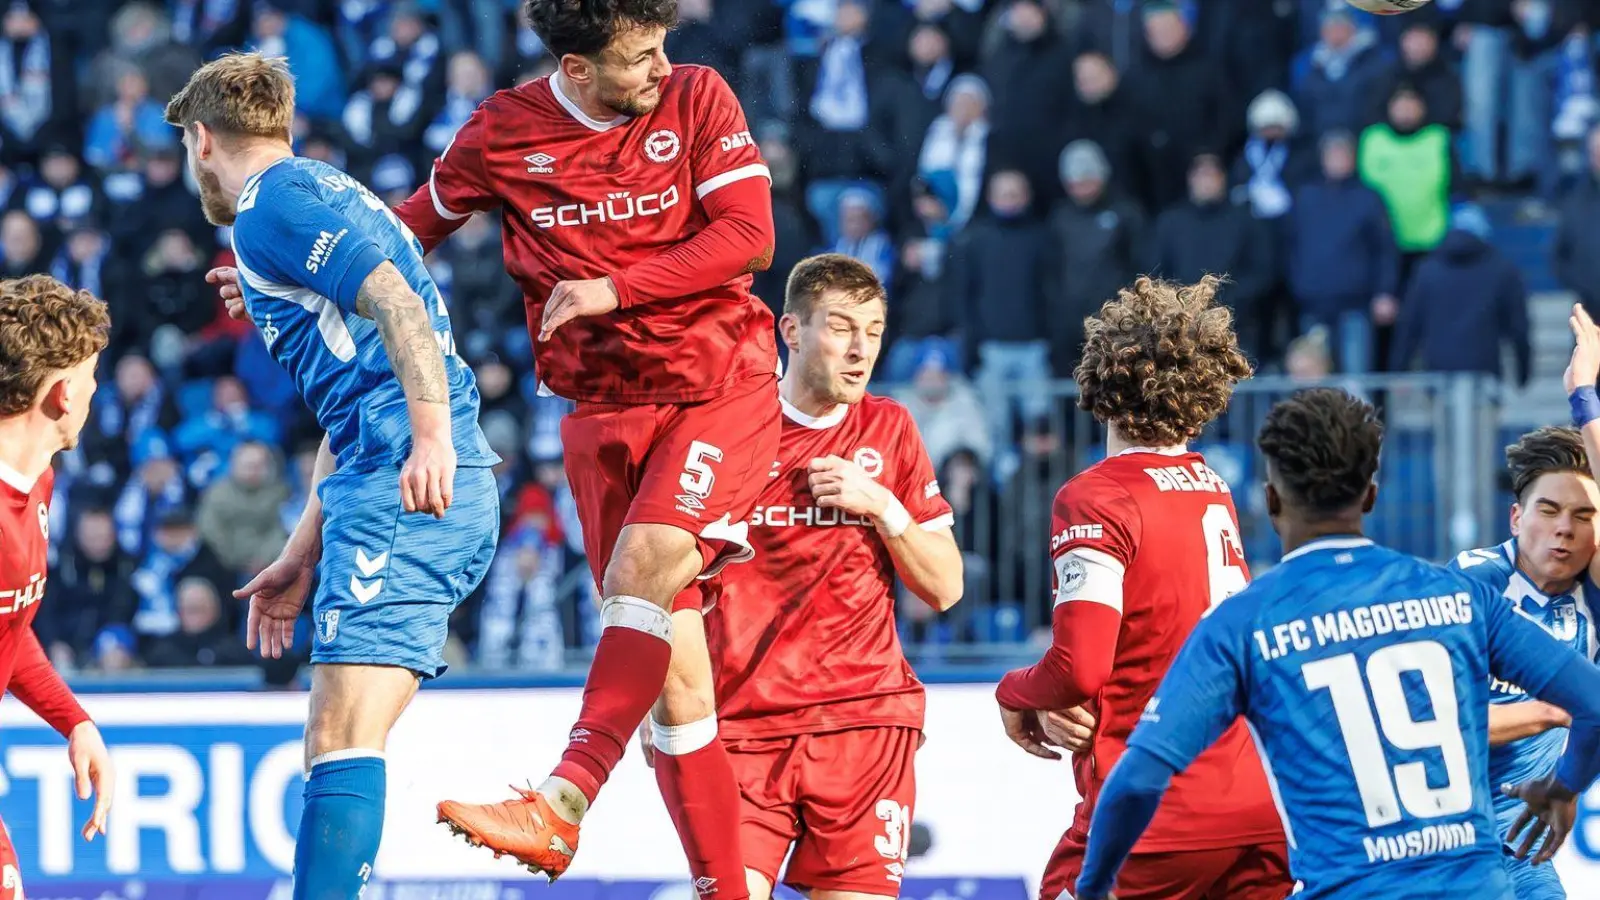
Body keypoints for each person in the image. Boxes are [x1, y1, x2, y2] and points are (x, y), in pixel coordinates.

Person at [213, 0, 779, 884]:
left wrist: (613, 289)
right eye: (639, 56)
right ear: (577, 69)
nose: (662, 67)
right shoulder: (504, 133)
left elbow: (750, 238)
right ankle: (729, 886)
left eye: (661, 47)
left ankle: (561, 802)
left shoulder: (699, 98)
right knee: (674, 678)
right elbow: (404, 237)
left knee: (642, 574)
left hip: (719, 383)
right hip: (598, 409)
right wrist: (287, 277)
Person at [165, 53, 502, 899]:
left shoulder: (265, 208)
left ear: (202, 139)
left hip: (411, 476)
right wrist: (301, 548)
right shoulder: (322, 189)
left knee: (341, 734)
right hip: (385, 471)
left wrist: (430, 439)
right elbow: (353, 396)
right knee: (336, 733)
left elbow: (391, 297)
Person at [1073, 387, 1600, 900]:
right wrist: (1563, 788)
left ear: (1271, 497)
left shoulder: (1241, 624)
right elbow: (1593, 702)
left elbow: (1139, 779)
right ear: (1371, 494)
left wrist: (1095, 886)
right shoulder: (1459, 595)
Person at [640, 254, 963, 899]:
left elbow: (946, 586)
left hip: (863, 722)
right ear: (790, 331)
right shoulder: (726, 428)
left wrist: (881, 505)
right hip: (741, 729)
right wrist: (662, 704)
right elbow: (661, 575)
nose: (859, 349)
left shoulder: (889, 428)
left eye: (872, 331)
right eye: (841, 328)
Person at [993, 275, 1289, 900]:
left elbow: (1080, 667)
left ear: (1100, 380)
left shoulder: (1097, 496)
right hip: (1254, 806)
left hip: (1155, 810)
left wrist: (1014, 692)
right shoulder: (1211, 485)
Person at [0, 275, 117, 898]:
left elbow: (7, 626)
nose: (96, 395)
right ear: (65, 395)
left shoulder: (36, 480)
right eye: (93, 380)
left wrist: (72, 721)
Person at [1449, 425, 1596, 900]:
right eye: (1548, 511)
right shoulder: (1476, 583)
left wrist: (1587, 399)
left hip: (1518, 844)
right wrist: (1554, 711)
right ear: (1516, 518)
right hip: (1439, 835)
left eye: (1583, 516)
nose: (1565, 529)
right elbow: (1440, 724)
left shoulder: (1592, 598)